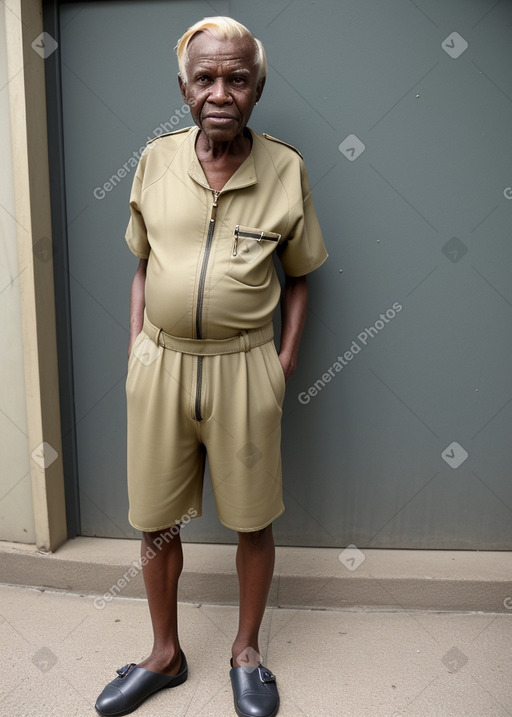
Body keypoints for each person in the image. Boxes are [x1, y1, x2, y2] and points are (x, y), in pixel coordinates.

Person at [95, 16, 327, 717]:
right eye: (205, 78)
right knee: (154, 520)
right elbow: (141, 264)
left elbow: (302, 277)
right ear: (184, 87)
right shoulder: (154, 159)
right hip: (161, 366)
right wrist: (137, 346)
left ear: (257, 88)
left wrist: (282, 362)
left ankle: (246, 652)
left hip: (244, 368)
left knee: (253, 520)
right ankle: (164, 653)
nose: (219, 91)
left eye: (236, 78)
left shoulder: (286, 169)